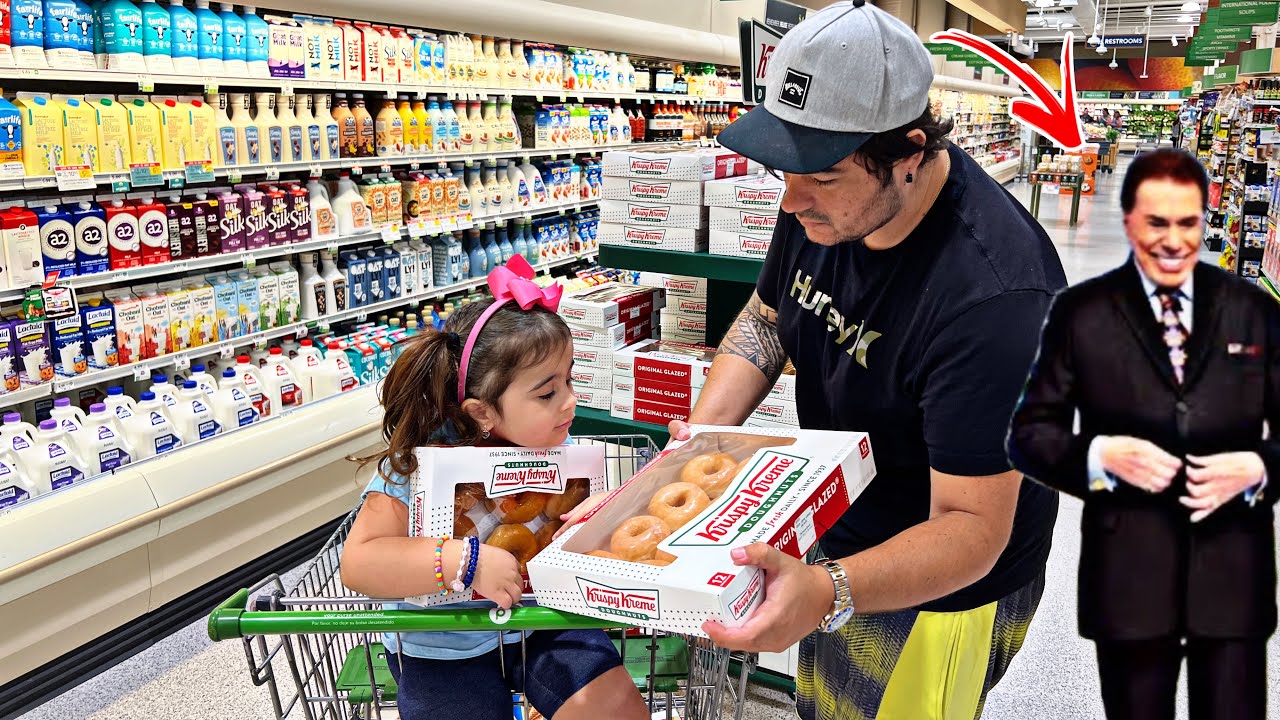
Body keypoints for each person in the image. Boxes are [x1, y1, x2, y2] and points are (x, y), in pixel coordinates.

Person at [653, 2, 1066, 718]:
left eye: (821, 174)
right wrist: (699, 442)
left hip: (943, 586)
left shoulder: (996, 299)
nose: (790, 202)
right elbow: (767, 317)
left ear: (909, 152)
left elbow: (972, 528)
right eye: (784, 166)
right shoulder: (826, 204)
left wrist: (829, 591)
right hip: (843, 534)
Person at [1006, 149, 1277, 720]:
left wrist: (1259, 468)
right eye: (1157, 222)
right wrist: (1099, 454)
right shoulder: (1081, 313)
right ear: (1128, 221)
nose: (1174, 240)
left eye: (1187, 222)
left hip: (1232, 576)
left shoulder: (1254, 311)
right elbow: (1029, 435)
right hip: (1129, 574)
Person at [340, 256, 648, 720]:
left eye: (570, 379)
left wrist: (601, 517)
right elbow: (359, 562)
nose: (570, 401)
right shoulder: (419, 467)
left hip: (543, 622)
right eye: (547, 393)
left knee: (615, 708)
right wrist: (459, 562)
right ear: (482, 412)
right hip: (442, 644)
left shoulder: (562, 454)